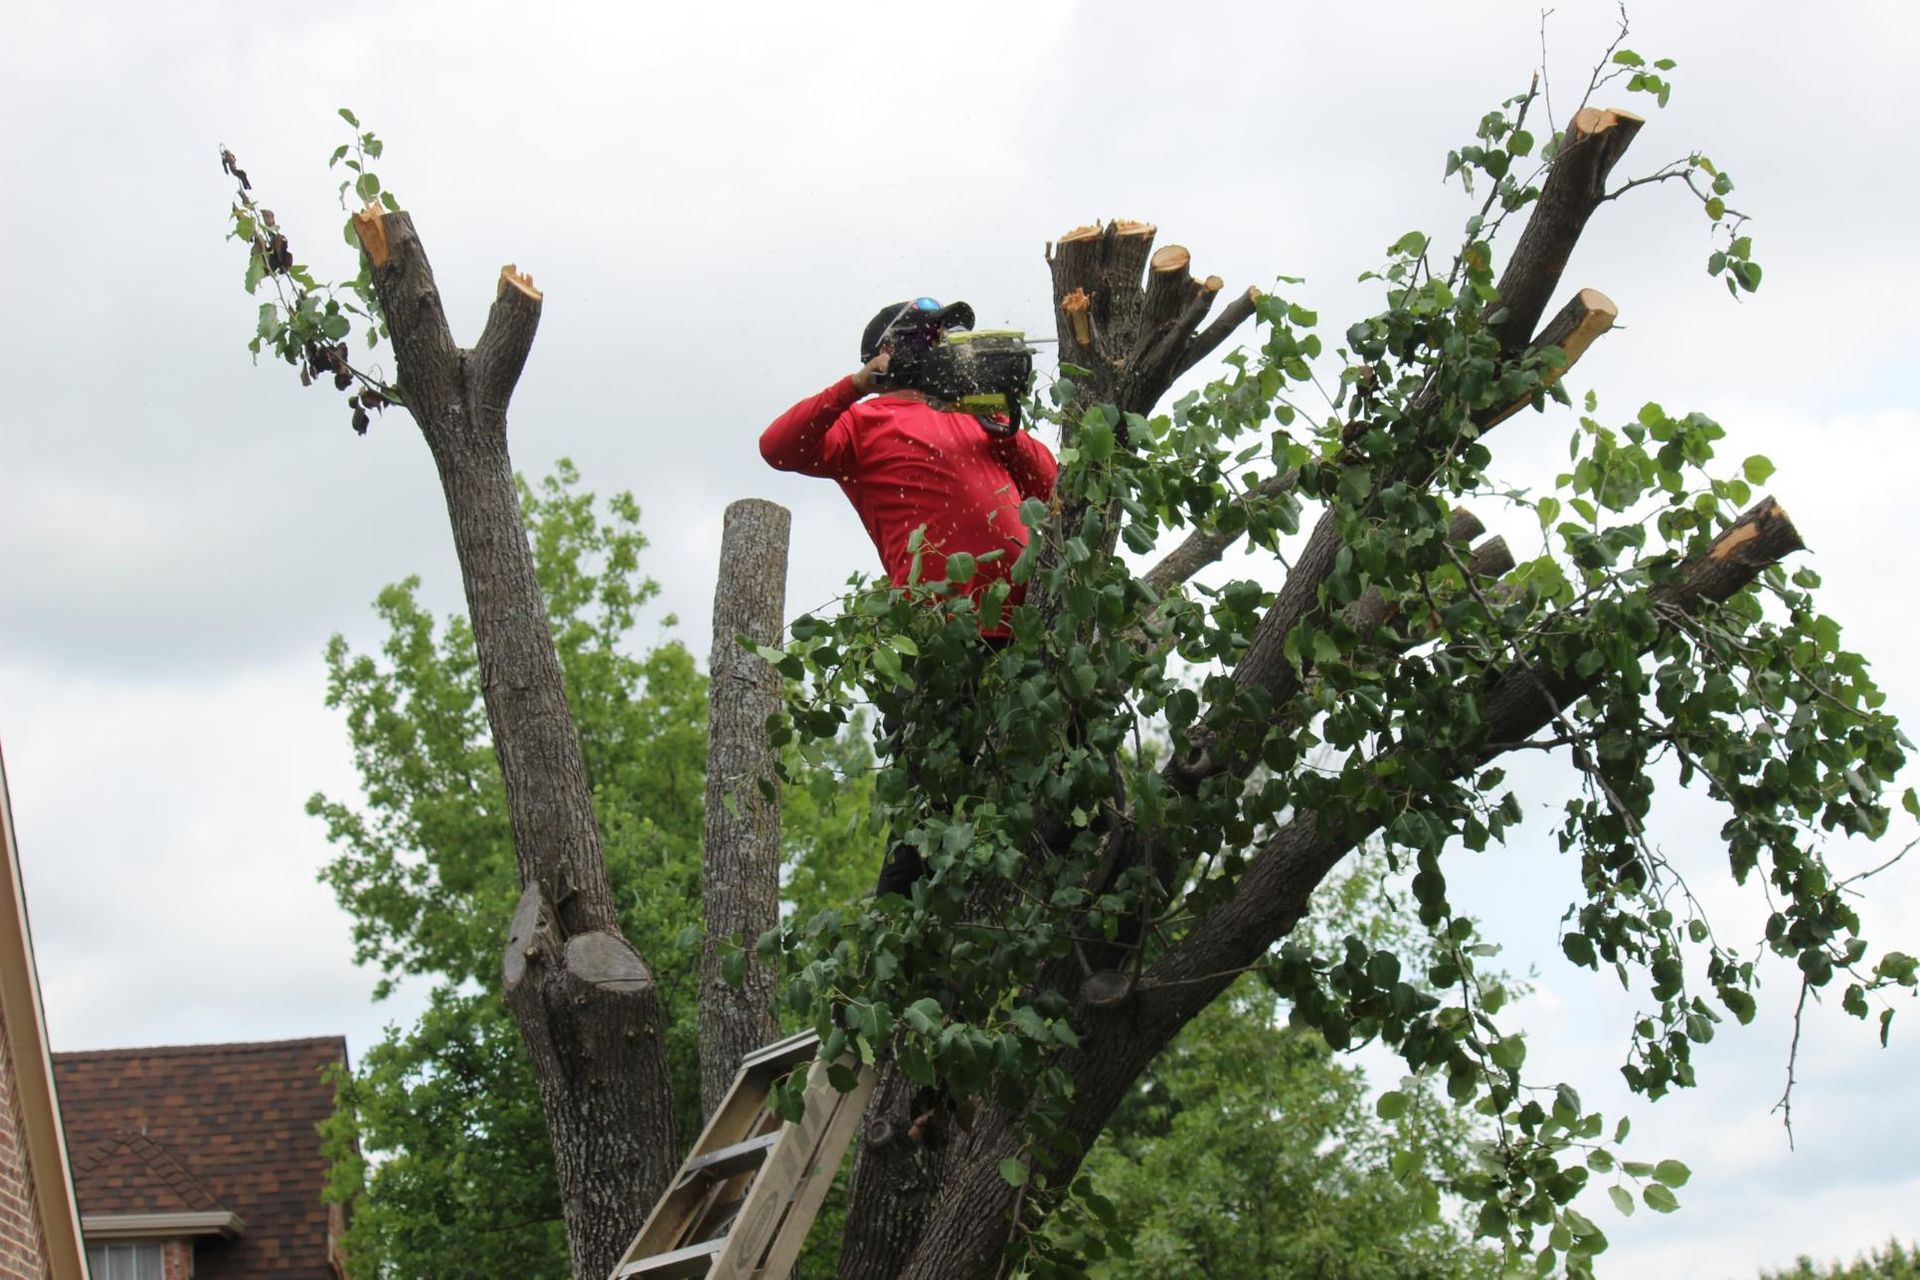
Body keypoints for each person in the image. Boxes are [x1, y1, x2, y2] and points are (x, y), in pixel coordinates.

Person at [760, 299, 1058, 893]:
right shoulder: (864, 421)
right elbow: (778, 447)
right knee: (933, 806)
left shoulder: (979, 420)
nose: (954, 346)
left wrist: (1006, 422)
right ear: (894, 351)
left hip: (1031, 629)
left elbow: (1055, 490)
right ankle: (895, 942)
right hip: (943, 635)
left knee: (1068, 783)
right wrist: (862, 379)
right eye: (936, 337)